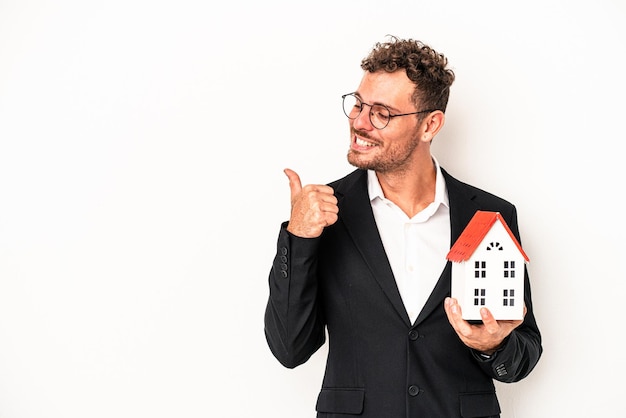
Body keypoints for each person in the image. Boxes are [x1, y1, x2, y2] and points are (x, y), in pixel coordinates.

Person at [264, 36, 542, 418]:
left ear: (430, 124)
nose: (360, 123)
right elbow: (289, 349)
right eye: (358, 105)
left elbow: (523, 355)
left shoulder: (490, 217)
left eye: (381, 113)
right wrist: (299, 237)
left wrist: (492, 346)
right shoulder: (323, 214)